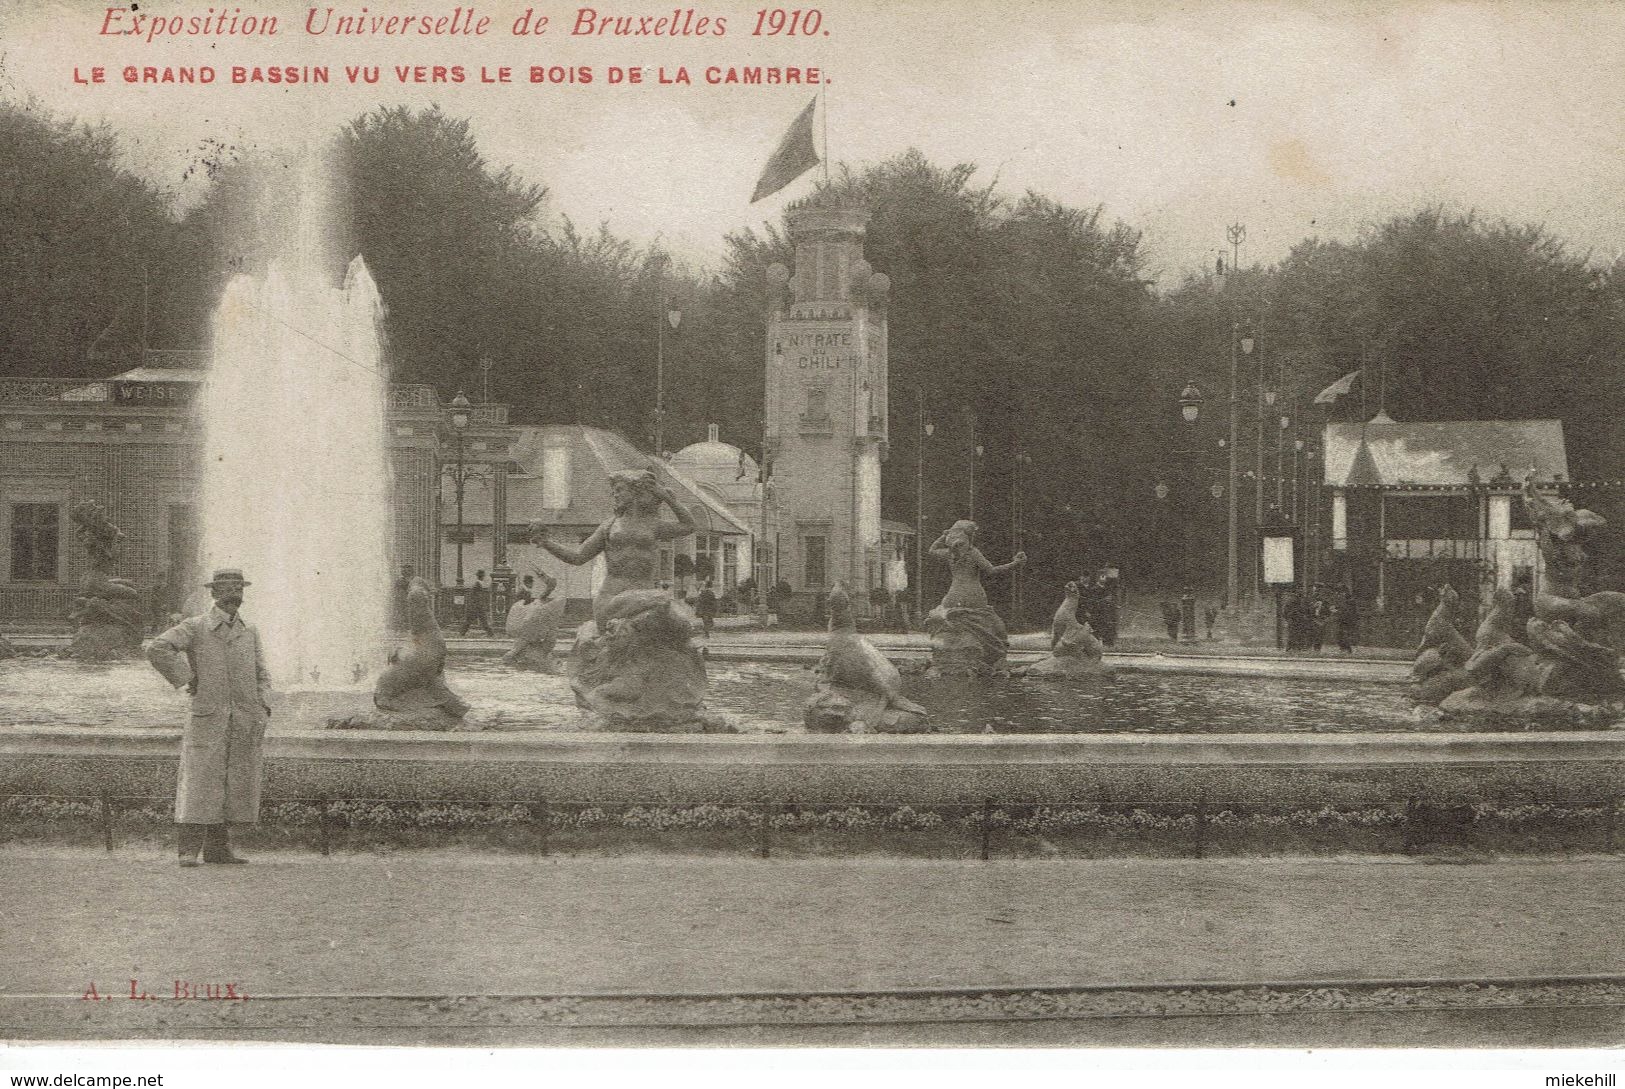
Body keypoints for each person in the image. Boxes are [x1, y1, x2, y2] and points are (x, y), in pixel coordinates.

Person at [146, 568, 272, 867]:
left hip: (242, 717)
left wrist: (262, 705)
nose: (233, 595)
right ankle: (187, 850)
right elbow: (157, 648)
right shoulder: (196, 626)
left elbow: (261, 673)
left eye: (238, 589)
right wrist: (185, 676)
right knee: (200, 780)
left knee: (231, 781)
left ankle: (219, 850)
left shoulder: (249, 630)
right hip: (208, 715)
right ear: (214, 593)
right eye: (227, 589)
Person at [460, 569, 492, 636]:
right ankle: (490, 633)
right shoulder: (478, 584)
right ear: (482, 576)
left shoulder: (478, 584)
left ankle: (462, 633)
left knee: (472, 620)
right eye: (483, 576)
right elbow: (478, 596)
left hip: (476, 606)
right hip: (477, 606)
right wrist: (481, 605)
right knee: (482, 620)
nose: (484, 577)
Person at [147, 570, 171, 635]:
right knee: (158, 618)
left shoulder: (164, 586)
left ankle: (158, 631)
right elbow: (154, 596)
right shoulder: (157, 586)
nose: (159, 579)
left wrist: (164, 604)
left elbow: (166, 596)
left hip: (159, 605)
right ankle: (156, 631)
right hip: (157, 605)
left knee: (160, 618)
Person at [392, 564, 415, 629]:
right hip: (402, 598)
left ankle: (406, 626)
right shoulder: (400, 580)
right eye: (404, 569)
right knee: (401, 612)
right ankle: (401, 626)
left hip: (408, 598)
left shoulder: (412, 579)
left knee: (407, 612)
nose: (406, 571)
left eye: (408, 570)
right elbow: (396, 589)